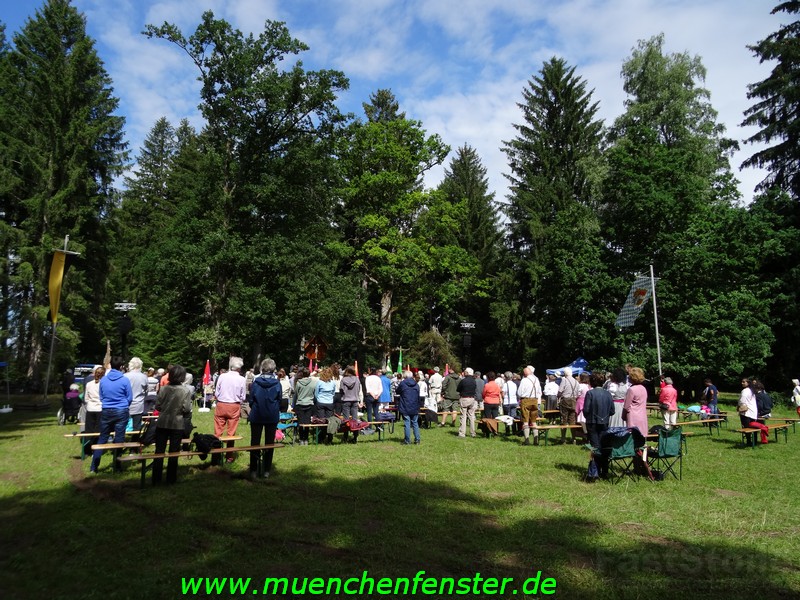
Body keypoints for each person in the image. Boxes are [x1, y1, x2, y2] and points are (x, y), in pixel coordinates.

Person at [90, 356, 133, 473]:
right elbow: (129, 397)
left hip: (107, 410)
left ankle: (94, 466)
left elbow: (101, 396)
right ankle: (117, 467)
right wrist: (123, 405)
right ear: (121, 367)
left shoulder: (103, 380)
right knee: (119, 438)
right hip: (121, 410)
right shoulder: (124, 380)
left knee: (103, 437)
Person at [152, 364, 193, 484]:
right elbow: (186, 409)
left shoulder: (164, 389)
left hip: (162, 422)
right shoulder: (185, 390)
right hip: (177, 423)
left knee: (159, 450)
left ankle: (156, 477)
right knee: (174, 451)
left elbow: (158, 406)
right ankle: (171, 478)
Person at [248, 358, 282, 479]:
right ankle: (266, 470)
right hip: (271, 415)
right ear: (273, 369)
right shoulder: (277, 383)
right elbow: (279, 399)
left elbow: (251, 399)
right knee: (269, 443)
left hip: (257, 414)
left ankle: (253, 470)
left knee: (255, 442)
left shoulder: (256, 382)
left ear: (262, 368)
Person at [582, 372, 616, 479]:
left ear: (592, 381)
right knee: (604, 447)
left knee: (596, 446)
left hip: (592, 423)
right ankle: (604, 470)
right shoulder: (608, 394)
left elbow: (586, 410)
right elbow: (612, 411)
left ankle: (595, 471)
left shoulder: (590, 393)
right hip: (604, 423)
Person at [214, 356, 246, 462]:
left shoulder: (222, 376)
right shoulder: (242, 379)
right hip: (234, 405)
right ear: (239, 368)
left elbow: (217, 392)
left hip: (221, 404)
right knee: (231, 432)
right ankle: (229, 456)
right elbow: (243, 396)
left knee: (218, 431)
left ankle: (216, 455)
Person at [516, 365, 542, 446]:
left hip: (526, 400)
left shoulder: (524, 380)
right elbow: (539, 391)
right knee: (534, 421)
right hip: (535, 400)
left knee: (525, 421)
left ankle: (527, 441)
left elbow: (519, 393)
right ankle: (536, 440)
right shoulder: (536, 379)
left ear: (525, 374)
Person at [739, 378, 769, 444]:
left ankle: (749, 442)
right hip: (753, 412)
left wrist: (739, 406)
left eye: (744, 382)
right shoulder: (752, 391)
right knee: (753, 427)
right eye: (742, 382)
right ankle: (754, 440)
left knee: (746, 427)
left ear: (748, 383)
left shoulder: (745, 390)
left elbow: (742, 400)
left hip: (746, 412)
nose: (742, 383)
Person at [125, 357, 149, 432]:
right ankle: (135, 441)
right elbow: (146, 391)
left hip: (126, 404)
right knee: (137, 426)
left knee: (122, 425)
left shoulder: (125, 376)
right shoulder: (144, 377)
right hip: (138, 404)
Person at [622, 367, 648, 435]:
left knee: (632, 436)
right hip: (642, 416)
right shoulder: (643, 388)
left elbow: (626, 406)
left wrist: (623, 416)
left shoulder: (631, 390)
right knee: (641, 436)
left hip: (633, 417)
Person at [398, 371, 421, 445]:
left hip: (405, 406)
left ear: (404, 376)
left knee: (407, 423)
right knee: (415, 423)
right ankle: (417, 440)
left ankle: (407, 440)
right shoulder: (416, 384)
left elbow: (397, 391)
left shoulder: (402, 383)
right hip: (414, 406)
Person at [557, 367, 580, 444]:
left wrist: (558, 397)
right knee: (572, 420)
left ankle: (563, 439)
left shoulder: (564, 380)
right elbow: (578, 393)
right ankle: (573, 438)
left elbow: (560, 391)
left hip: (565, 401)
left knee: (564, 419)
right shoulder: (576, 381)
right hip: (573, 401)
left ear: (565, 373)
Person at [293, 368, 315, 445]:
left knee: (301, 423)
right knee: (307, 423)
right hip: (309, 404)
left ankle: (301, 439)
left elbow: (296, 395)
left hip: (300, 404)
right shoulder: (313, 383)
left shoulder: (298, 383)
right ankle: (305, 439)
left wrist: (294, 405)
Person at [456, 368, 478, 438]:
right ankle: (473, 433)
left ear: (467, 373)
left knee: (463, 416)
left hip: (464, 398)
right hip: (472, 399)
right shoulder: (474, 381)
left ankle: (462, 433)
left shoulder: (463, 380)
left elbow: (458, 389)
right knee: (471, 416)